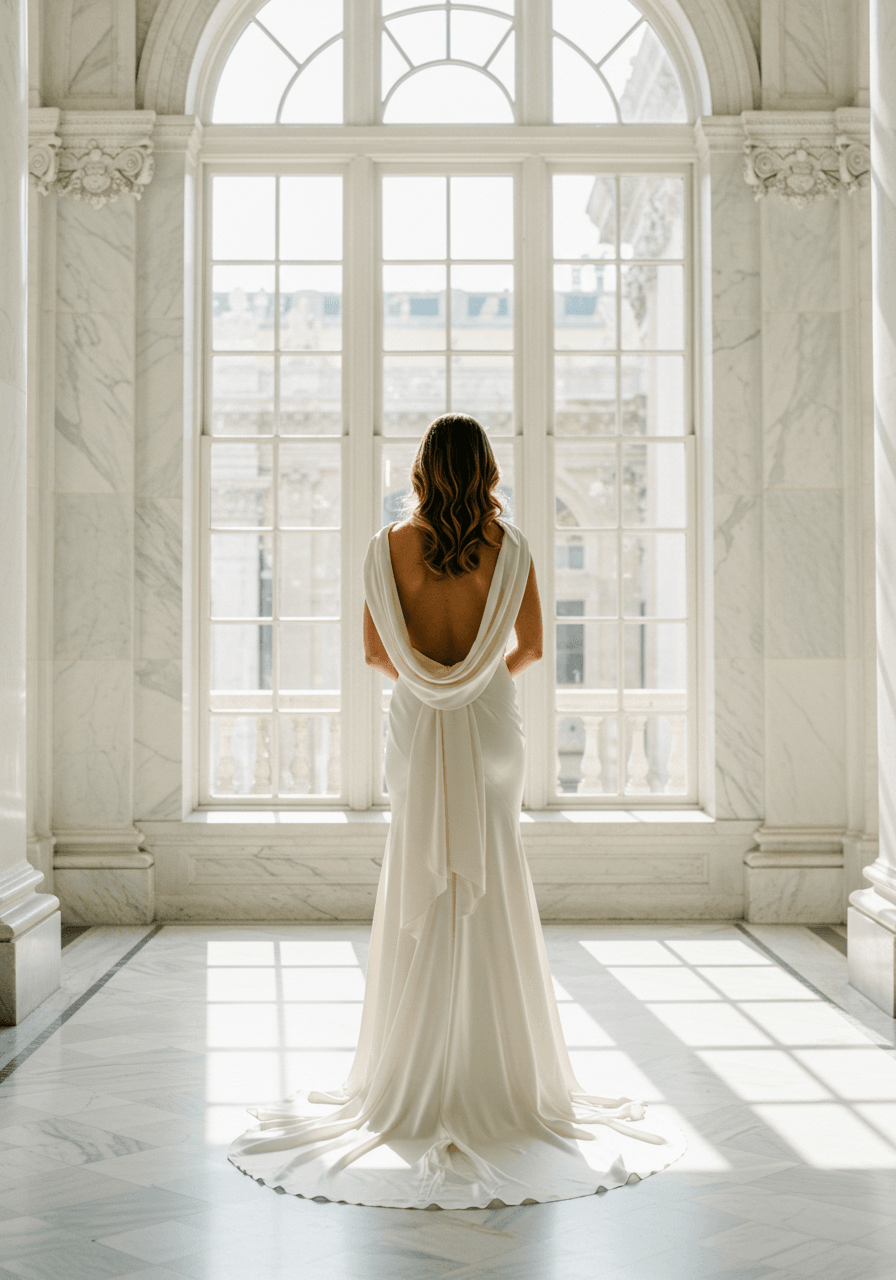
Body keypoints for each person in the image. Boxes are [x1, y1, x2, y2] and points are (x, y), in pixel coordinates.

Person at [227, 414, 686, 1208]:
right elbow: (531, 647)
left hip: (415, 721)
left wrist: (431, 682)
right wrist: (475, 678)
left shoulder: (386, 549)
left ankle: (408, 1069)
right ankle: (500, 1071)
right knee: (494, 870)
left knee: (418, 860)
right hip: (491, 721)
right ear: (487, 470)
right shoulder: (511, 549)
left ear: (420, 470)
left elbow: (375, 654)